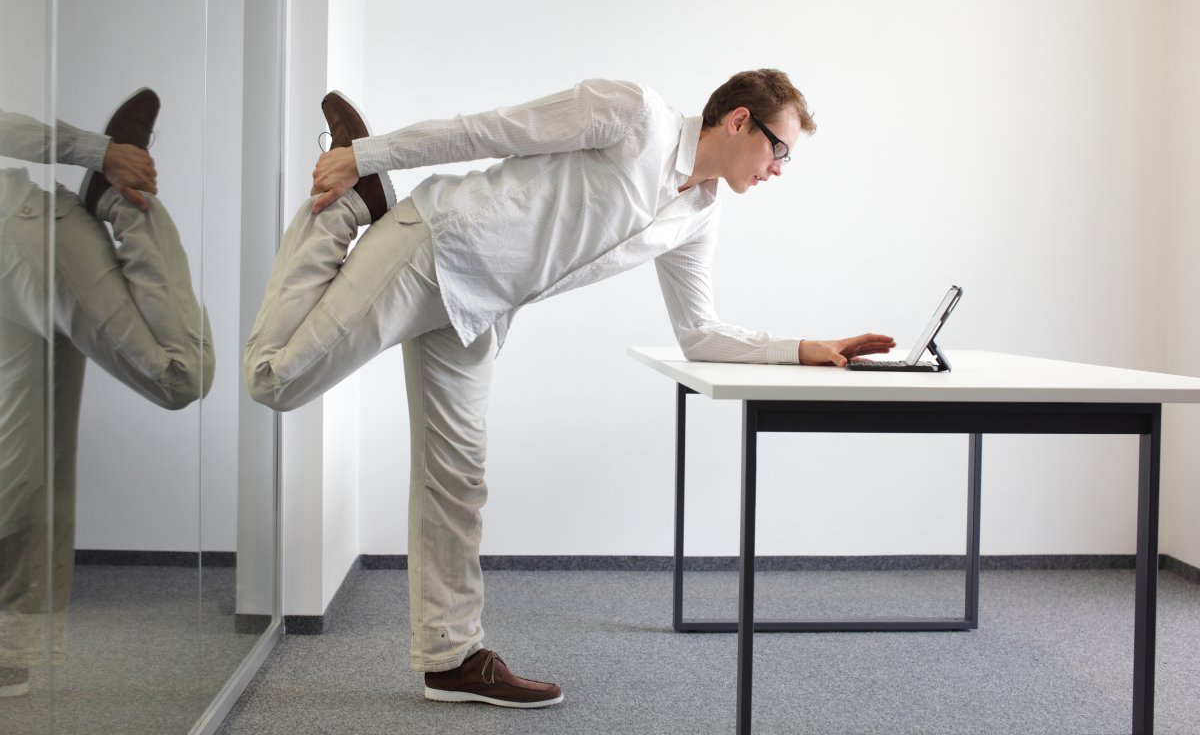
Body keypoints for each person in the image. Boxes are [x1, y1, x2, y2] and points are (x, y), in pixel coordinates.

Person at [243, 69, 895, 708]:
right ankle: (351, 207)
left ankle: (451, 658)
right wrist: (366, 155)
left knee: (457, 480)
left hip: (480, 311)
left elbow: (699, 333)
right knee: (274, 381)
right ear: (738, 121)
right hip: (435, 250)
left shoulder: (698, 214)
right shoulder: (636, 114)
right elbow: (491, 131)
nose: (779, 167)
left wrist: (805, 349)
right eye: (778, 149)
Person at [0, 90, 213, 699]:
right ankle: (10, 651)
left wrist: (100, 153)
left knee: (181, 377)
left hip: (23, 235)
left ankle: (123, 205)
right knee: (25, 463)